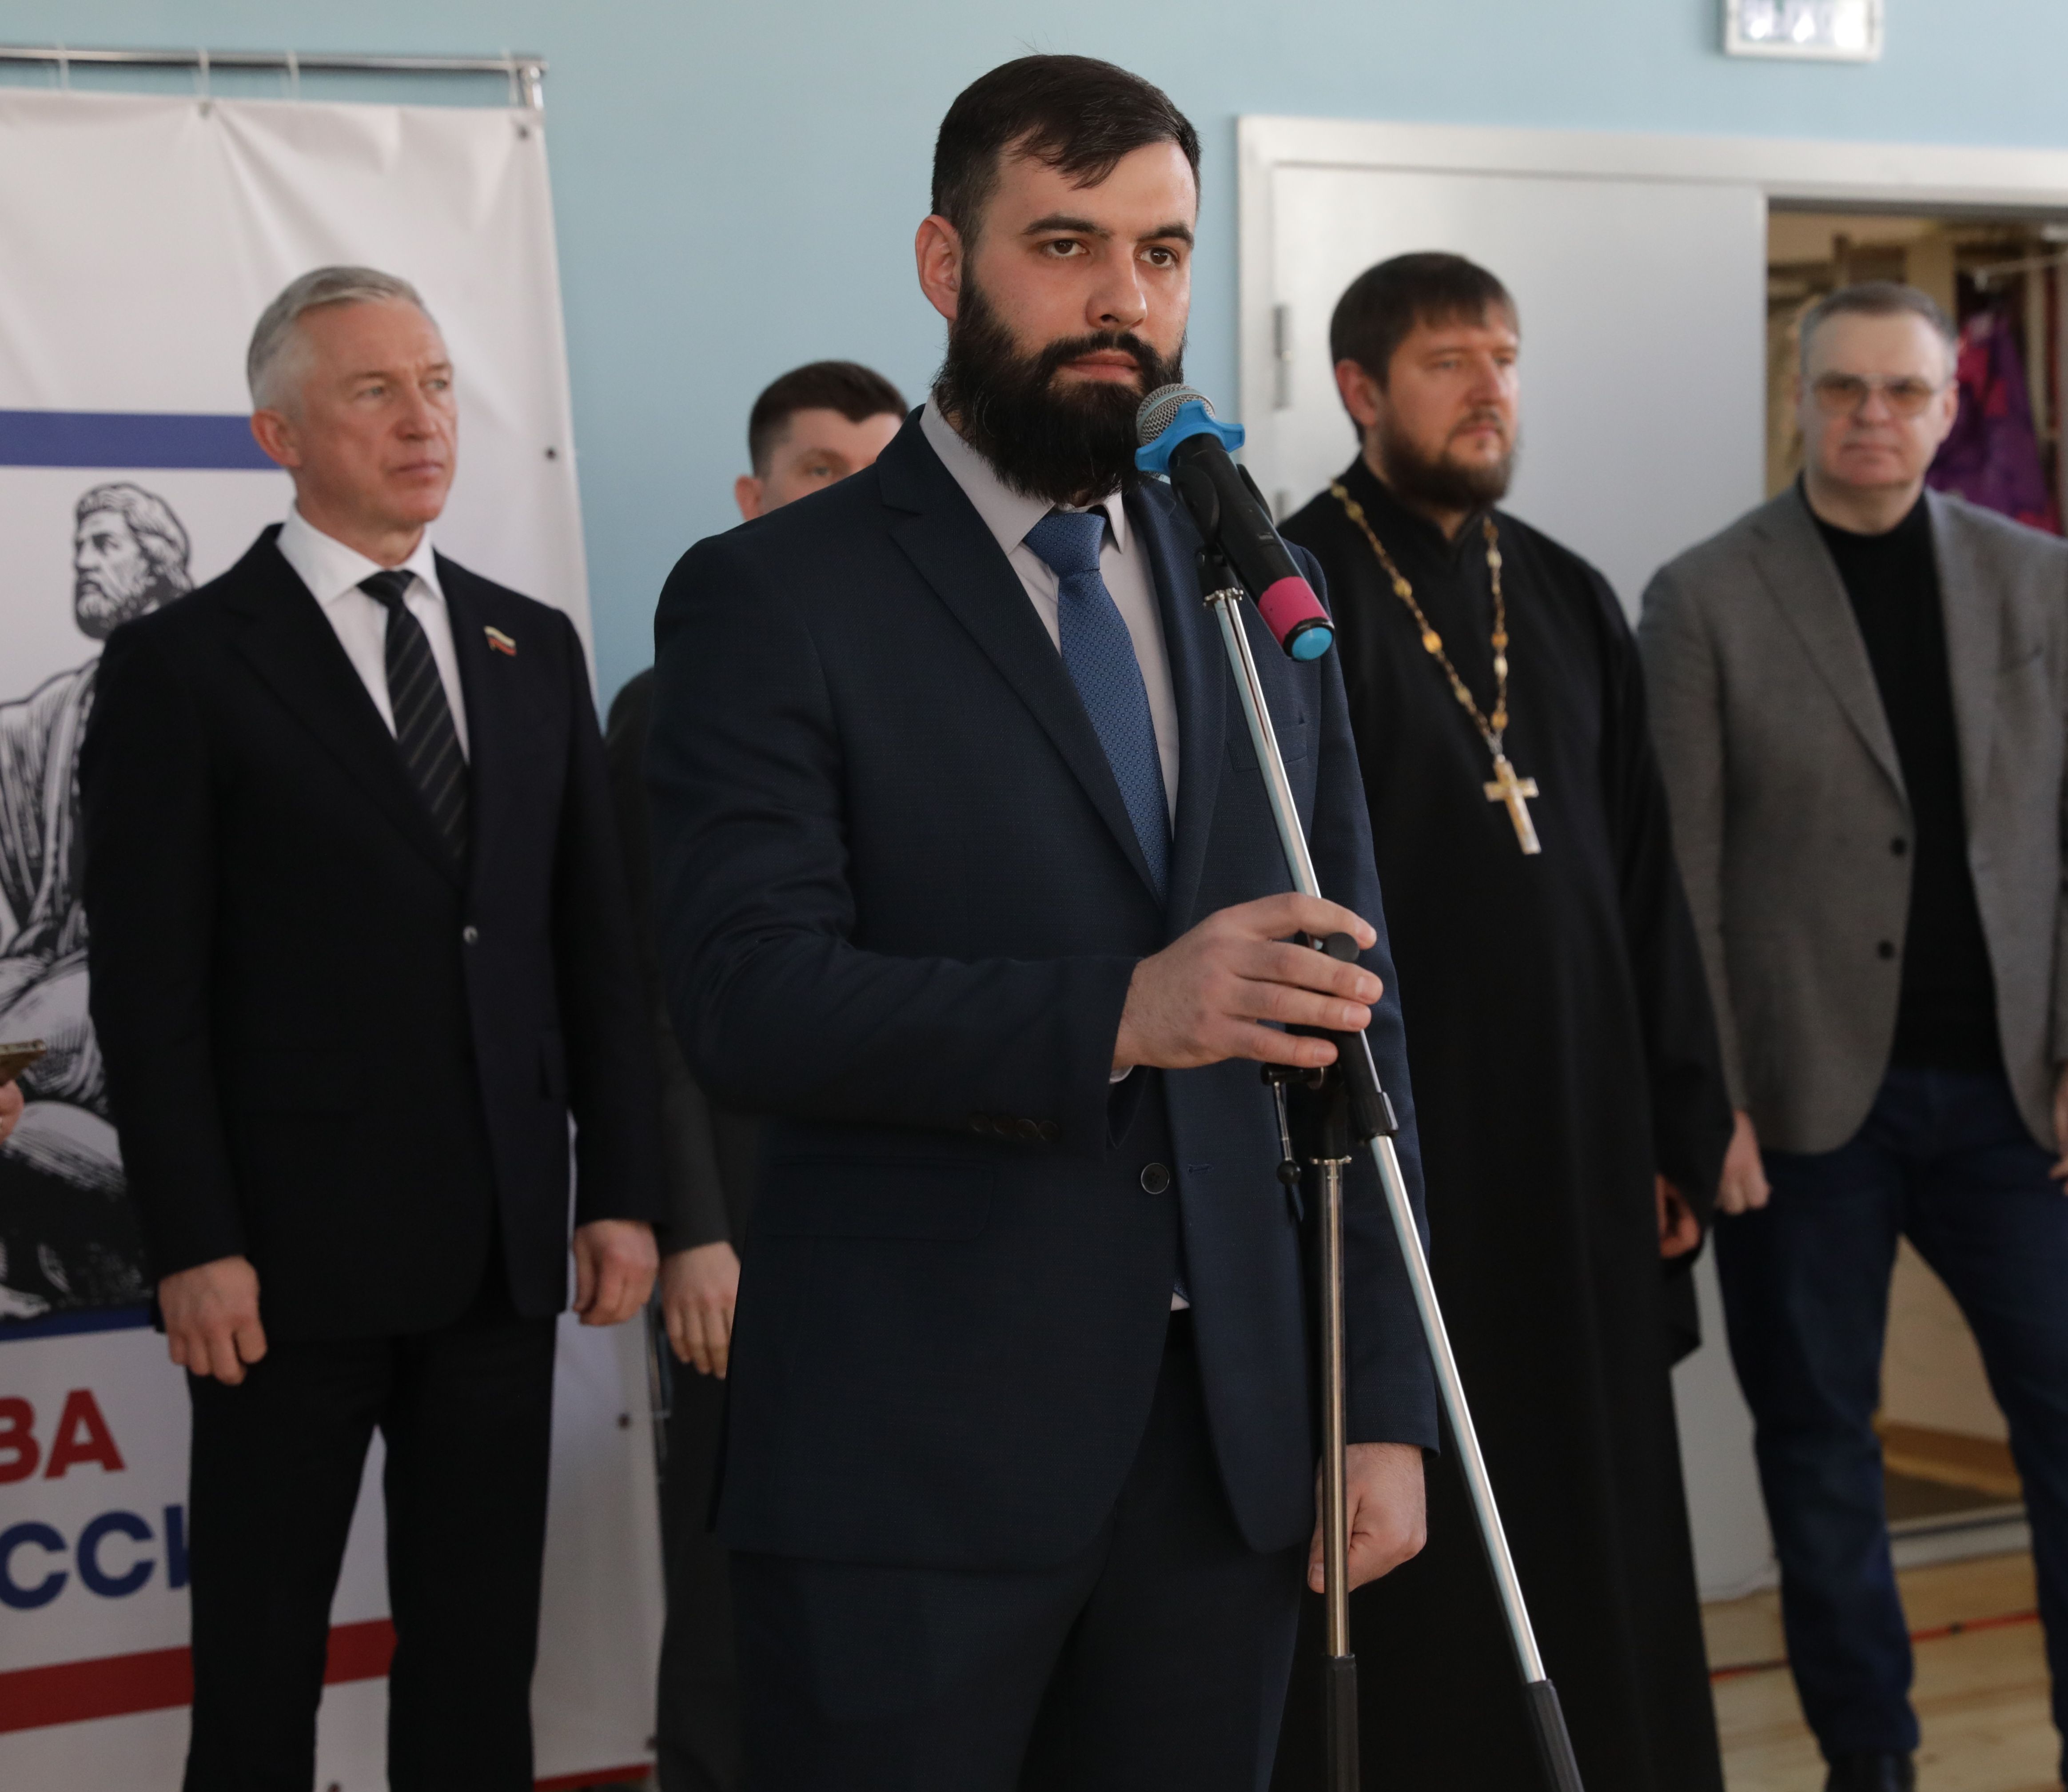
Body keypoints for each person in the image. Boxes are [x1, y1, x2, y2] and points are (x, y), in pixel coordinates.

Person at [644, 57, 1436, 1790]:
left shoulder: (1250, 581)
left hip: (1229, 1451)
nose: (1120, 300)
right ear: (946, 266)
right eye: (1064, 245)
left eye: (1162, 252)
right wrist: (1124, 1011)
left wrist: (1379, 1399)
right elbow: (745, 996)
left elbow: (1352, 1014)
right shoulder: (773, 595)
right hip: (908, 1468)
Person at [80, 265, 660, 1791]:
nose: (424, 420)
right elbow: (148, 991)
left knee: (477, 1662)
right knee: (258, 1669)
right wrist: (196, 1241)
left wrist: (621, 1187)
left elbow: (595, 950)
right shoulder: (181, 666)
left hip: (497, 1258)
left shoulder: (532, 644)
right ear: (279, 433)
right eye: (375, 390)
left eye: (439, 384)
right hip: (279, 1274)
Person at [1642, 281, 2068, 1792]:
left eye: (1903, 391)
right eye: (1841, 389)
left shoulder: (2040, 580)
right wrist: (1710, 1100)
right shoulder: (1703, 596)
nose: (1870, 416)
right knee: (1818, 1445)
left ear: (1950, 408)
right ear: (1798, 400)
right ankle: (1866, 1754)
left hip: (2019, 1096)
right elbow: (1675, 875)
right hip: (1801, 1105)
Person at [1266, 252, 1737, 1792]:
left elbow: (1648, 881)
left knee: (1597, 1489)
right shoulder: (1294, 595)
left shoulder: (1566, 590)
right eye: (1448, 363)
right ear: (1359, 389)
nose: (1489, 392)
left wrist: (1678, 1118)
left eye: (1506, 359)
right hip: (1417, 1146)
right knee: (1450, 1505)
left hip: (1586, 1135)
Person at [604, 354, 909, 1792]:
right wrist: (695, 1224)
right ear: (752, 494)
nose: (850, 501)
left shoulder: (943, 690)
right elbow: (651, 990)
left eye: (877, 475)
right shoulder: (670, 702)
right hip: (744, 1222)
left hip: (913, 1214)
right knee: (733, 1572)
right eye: (818, 473)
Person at [0, 482, 194, 1315]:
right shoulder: (80, 692)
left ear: (159, 562)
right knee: (29, 1109)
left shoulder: (206, 670)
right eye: (81, 545)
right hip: (67, 960)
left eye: (106, 544)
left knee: (9, 1047)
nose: (84, 560)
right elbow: (16, 732)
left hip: (146, 968)